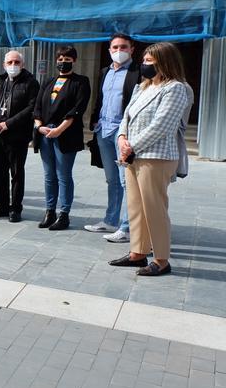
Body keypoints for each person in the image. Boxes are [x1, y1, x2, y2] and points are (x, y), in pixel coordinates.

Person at [109, 42, 191, 276]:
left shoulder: (175, 88)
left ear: (164, 63)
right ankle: (138, 252)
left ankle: (162, 259)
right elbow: (126, 115)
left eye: (149, 62)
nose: (144, 65)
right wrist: (122, 137)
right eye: (144, 61)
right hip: (133, 155)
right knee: (135, 206)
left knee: (154, 209)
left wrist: (130, 146)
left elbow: (161, 126)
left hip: (156, 157)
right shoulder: (142, 87)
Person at [85, 34, 143, 242]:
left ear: (132, 49)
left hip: (123, 133)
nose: (119, 50)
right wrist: (94, 121)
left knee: (126, 181)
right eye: (115, 47)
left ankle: (127, 228)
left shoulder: (138, 73)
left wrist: (127, 133)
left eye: (123, 47)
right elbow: (100, 99)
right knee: (112, 180)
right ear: (109, 50)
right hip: (103, 130)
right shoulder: (105, 72)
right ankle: (111, 220)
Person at [33, 46, 91, 230]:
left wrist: (59, 129)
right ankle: (50, 211)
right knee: (49, 176)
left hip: (65, 134)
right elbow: (37, 107)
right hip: (45, 134)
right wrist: (39, 125)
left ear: (74, 60)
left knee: (63, 175)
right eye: (60, 58)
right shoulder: (48, 81)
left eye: (67, 59)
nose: (63, 62)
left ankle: (64, 214)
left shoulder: (81, 82)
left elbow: (77, 108)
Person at [0, 51, 40, 222]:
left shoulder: (30, 83)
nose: (13, 65)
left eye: (16, 62)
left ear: (22, 65)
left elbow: (31, 108)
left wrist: (8, 124)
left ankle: (15, 209)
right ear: (4, 64)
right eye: (10, 62)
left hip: (17, 135)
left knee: (16, 174)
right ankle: (0, 206)